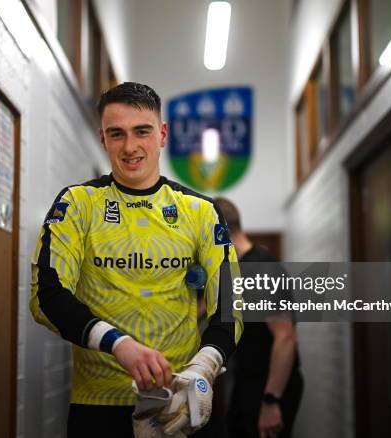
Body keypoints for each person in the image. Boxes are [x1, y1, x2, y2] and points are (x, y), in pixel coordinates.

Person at [29, 82, 243, 437]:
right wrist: (119, 344)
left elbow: (230, 306)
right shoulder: (77, 204)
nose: (129, 147)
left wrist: (203, 368)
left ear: (161, 134)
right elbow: (45, 295)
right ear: (102, 139)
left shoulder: (201, 212)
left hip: (179, 400)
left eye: (141, 131)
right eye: (117, 134)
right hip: (97, 406)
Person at [214, 198, 303, 438]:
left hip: (267, 388)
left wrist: (271, 401)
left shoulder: (261, 268)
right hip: (246, 380)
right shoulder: (239, 268)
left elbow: (285, 338)